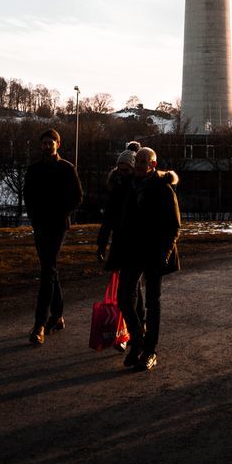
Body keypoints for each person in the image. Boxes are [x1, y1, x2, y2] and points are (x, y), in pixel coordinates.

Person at [115, 146, 180, 371]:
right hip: (132, 252)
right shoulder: (129, 186)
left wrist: (165, 254)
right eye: (138, 161)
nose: (139, 165)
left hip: (154, 253)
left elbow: (174, 226)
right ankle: (138, 338)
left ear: (153, 165)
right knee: (123, 297)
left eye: (144, 161)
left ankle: (149, 351)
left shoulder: (163, 188)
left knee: (153, 302)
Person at [22, 128, 83, 345]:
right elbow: (27, 194)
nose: (48, 146)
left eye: (51, 143)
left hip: (57, 226)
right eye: (45, 143)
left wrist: (61, 212)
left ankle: (39, 323)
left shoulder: (67, 169)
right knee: (50, 269)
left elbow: (77, 196)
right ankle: (57, 317)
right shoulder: (34, 169)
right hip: (40, 225)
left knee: (47, 270)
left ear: (58, 144)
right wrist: (34, 215)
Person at [97, 143, 144, 345]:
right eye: (120, 168)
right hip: (121, 246)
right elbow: (108, 218)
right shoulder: (116, 189)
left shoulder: (138, 189)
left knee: (126, 295)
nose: (122, 172)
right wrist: (101, 243)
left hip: (136, 247)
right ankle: (139, 327)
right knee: (133, 292)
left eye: (126, 169)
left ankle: (137, 334)